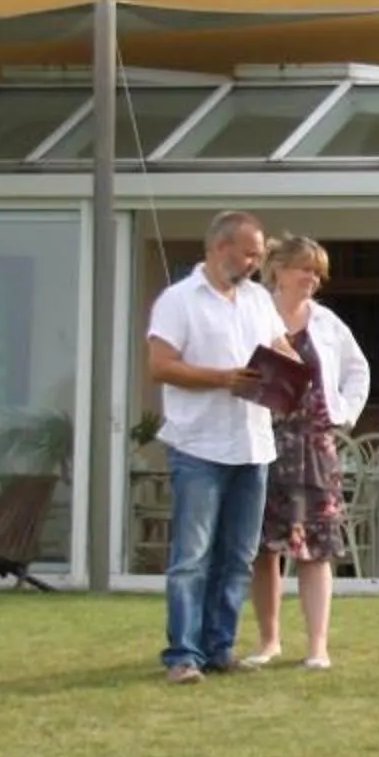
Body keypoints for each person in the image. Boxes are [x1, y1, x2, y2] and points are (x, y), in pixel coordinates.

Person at [143, 209, 293, 684]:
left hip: (252, 444)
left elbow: (280, 347)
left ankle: (218, 647)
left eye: (258, 254)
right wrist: (221, 379)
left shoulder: (256, 300)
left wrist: (295, 373)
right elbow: (161, 365)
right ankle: (182, 655)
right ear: (220, 247)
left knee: (239, 555)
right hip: (198, 445)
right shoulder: (178, 300)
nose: (255, 262)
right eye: (249, 252)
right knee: (192, 556)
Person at [248, 233, 372, 671]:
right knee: (265, 548)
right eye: (306, 269)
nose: (313, 280)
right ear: (279, 269)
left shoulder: (327, 323)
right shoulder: (251, 312)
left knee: (315, 548)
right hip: (260, 441)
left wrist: (345, 415)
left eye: (318, 274)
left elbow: (358, 370)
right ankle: (269, 641)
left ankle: (317, 646)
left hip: (314, 446)